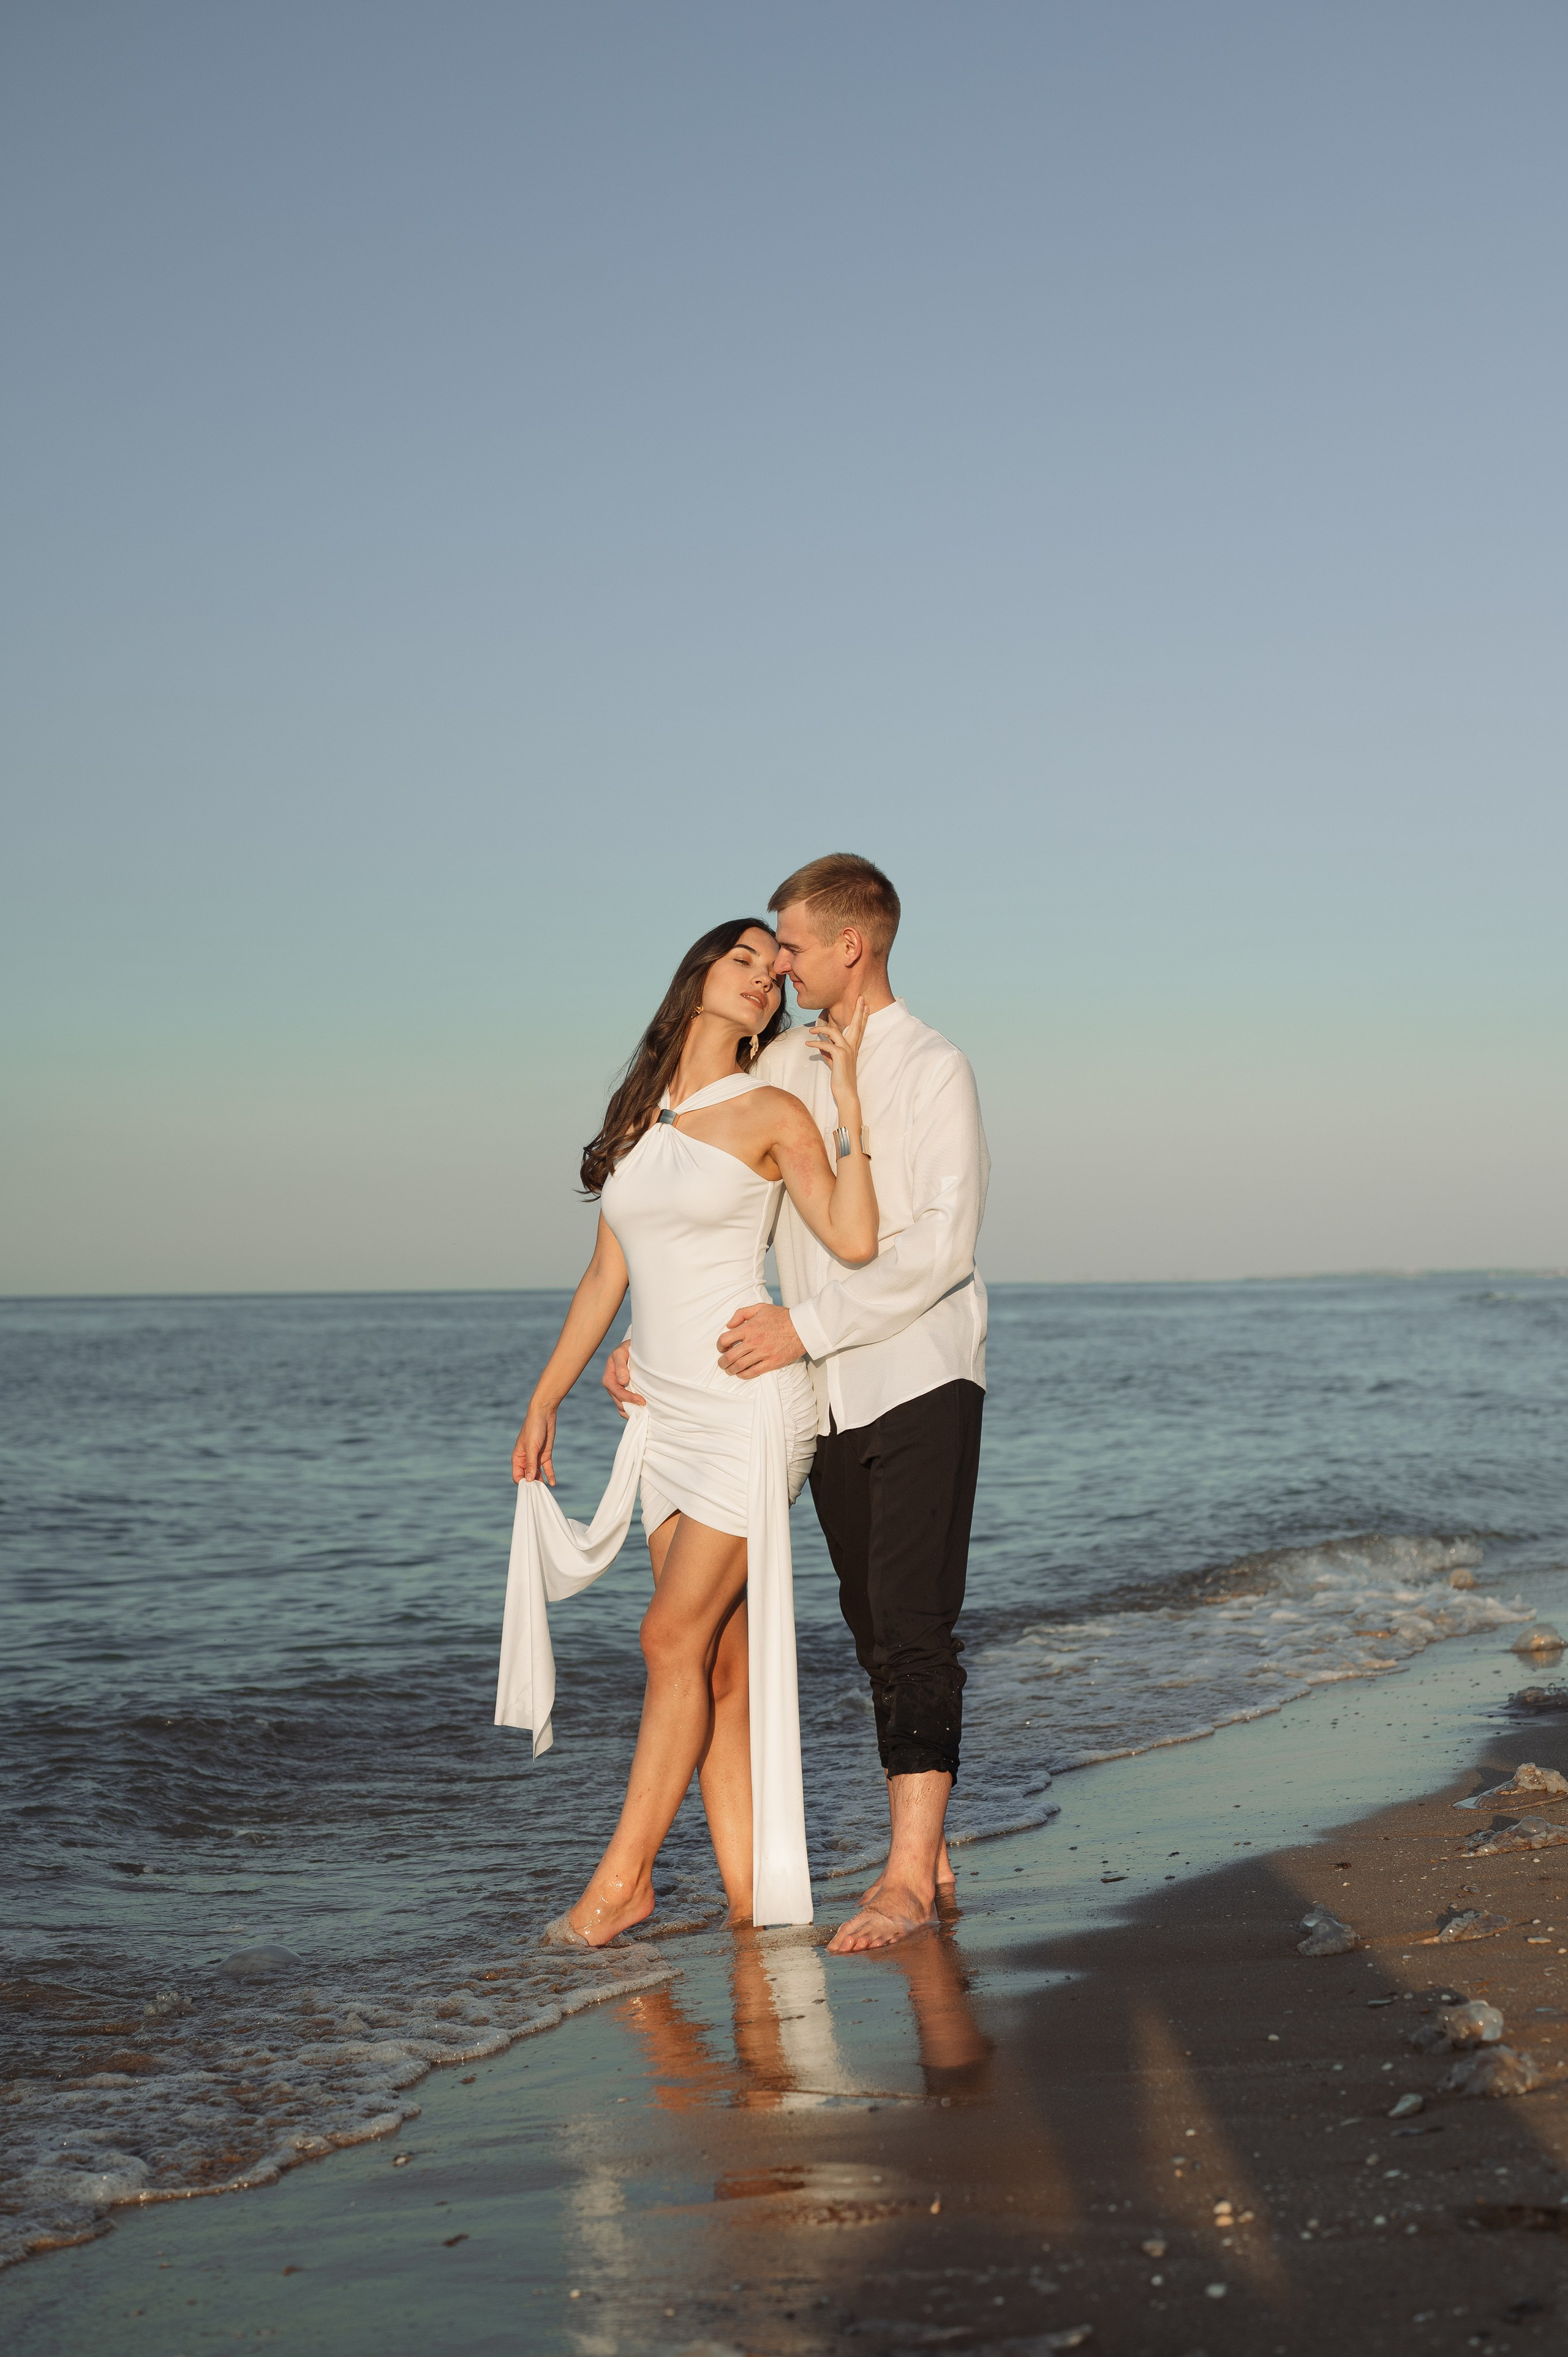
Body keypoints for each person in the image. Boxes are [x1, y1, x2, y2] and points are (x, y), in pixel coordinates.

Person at [608, 854, 988, 1955]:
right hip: (812, 1396)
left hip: (919, 1371)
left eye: (795, 946)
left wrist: (808, 1327)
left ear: (851, 947)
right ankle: (931, 1847)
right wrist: (648, 1340)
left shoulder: (932, 1066)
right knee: (870, 1629)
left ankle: (908, 1878)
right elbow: (716, 1220)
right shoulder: (777, 1068)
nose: (780, 963)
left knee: (914, 1627)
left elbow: (938, 1249)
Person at [496, 918, 878, 1945]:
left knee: (666, 1635)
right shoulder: (638, 1120)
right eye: (742, 961)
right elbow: (605, 1276)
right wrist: (548, 1395)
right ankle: (753, 1900)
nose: (762, 980)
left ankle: (624, 1881)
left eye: (774, 970)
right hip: (661, 1415)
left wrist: (847, 1114)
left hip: (749, 1408)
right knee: (713, 1666)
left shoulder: (773, 1107)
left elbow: (851, 1236)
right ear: (699, 975)